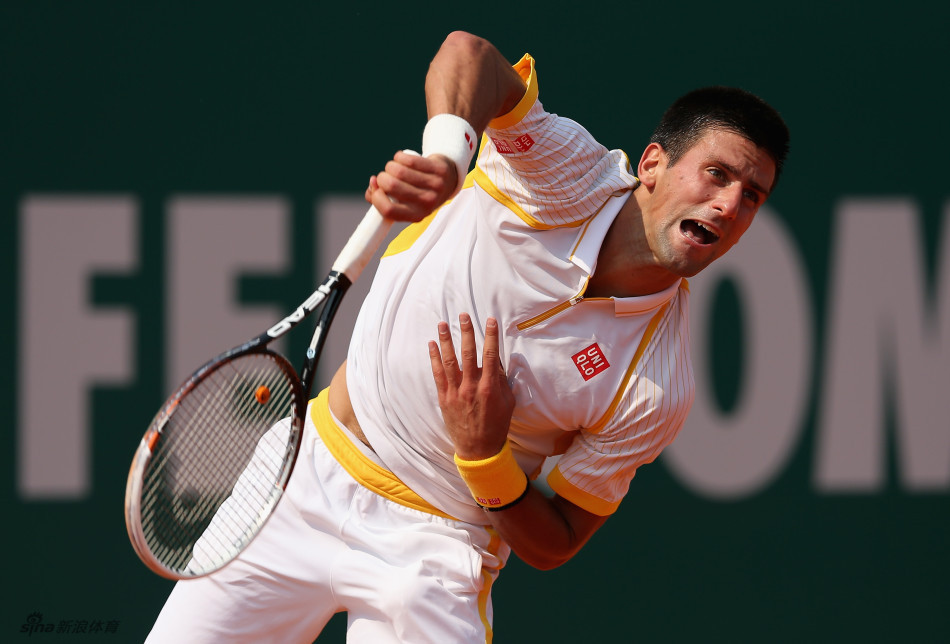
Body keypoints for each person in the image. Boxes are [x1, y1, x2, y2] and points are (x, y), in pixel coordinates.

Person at [147, 30, 789, 643]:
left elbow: (557, 539)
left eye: (752, 196)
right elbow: (468, 54)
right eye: (716, 175)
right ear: (652, 164)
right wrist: (449, 160)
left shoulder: (658, 385)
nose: (729, 206)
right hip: (302, 480)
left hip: (437, 551)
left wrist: (486, 457)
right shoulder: (567, 175)